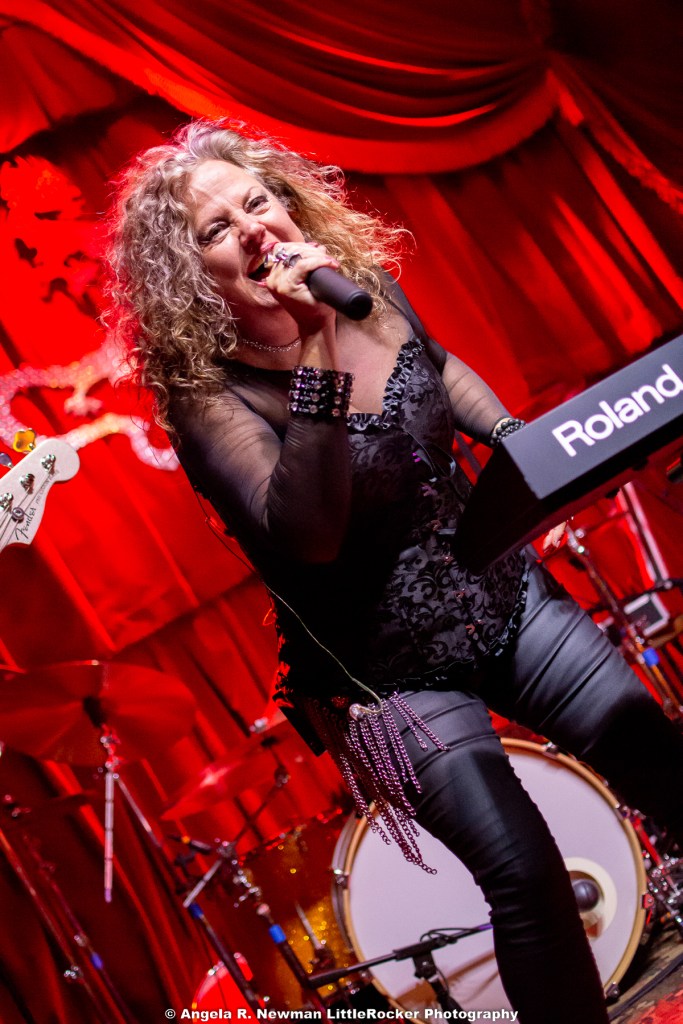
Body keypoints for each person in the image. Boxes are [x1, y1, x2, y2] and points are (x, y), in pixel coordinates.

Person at [105, 119, 683, 1024]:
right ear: (190, 273)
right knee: (526, 876)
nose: (252, 229)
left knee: (660, 760)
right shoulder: (208, 401)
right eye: (217, 229)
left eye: (257, 202)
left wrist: (521, 449)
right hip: (386, 678)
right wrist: (315, 345)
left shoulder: (364, 287)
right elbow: (308, 532)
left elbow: (438, 372)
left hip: (497, 594)